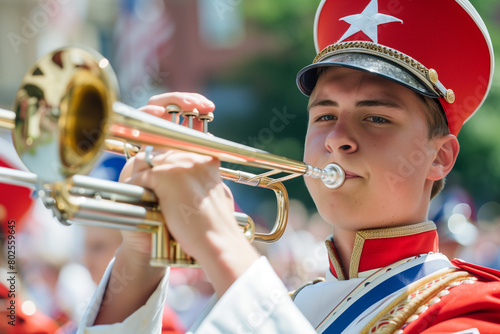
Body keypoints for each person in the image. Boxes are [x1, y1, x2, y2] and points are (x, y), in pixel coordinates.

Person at [78, 0, 500, 333]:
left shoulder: (474, 309)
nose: (337, 138)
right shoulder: (287, 302)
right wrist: (140, 257)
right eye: (324, 115)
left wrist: (214, 235)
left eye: (377, 118)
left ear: (440, 158)